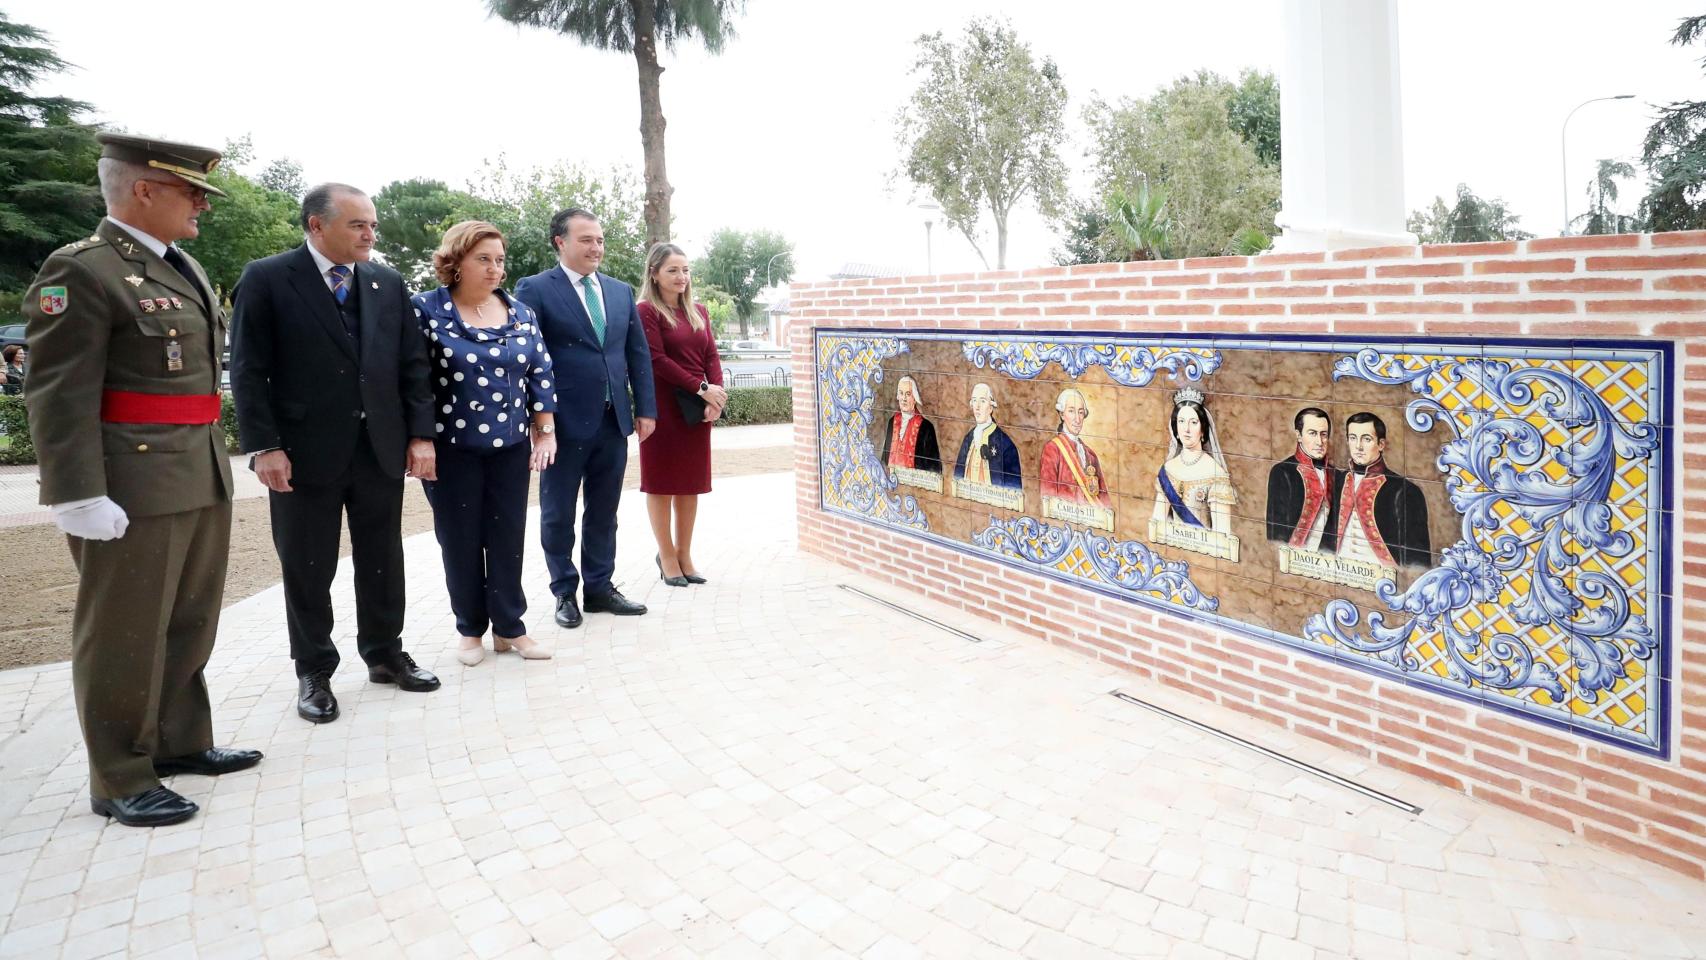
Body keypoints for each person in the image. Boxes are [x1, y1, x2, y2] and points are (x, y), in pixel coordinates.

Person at [22, 133, 260, 827]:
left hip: (197, 467)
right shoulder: (84, 271)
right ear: (144, 190)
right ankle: (120, 775)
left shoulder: (179, 265)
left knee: (189, 619)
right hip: (132, 481)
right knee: (125, 630)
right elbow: (57, 393)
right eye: (192, 192)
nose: (203, 205)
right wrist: (76, 493)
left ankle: (180, 742)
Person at [229, 183, 441, 725]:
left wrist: (420, 435)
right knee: (307, 565)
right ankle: (314, 669)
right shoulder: (268, 278)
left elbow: (412, 364)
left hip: (378, 449)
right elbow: (249, 370)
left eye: (373, 225)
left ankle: (385, 653)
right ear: (316, 225)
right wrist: (265, 446)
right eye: (358, 225)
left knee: (383, 559)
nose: (370, 234)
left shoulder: (386, 281)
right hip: (302, 454)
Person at [412, 221, 559, 664]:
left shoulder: (520, 312)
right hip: (450, 448)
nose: (495, 268)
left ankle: (510, 628)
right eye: (484, 259)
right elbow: (413, 380)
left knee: (507, 536)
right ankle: (470, 631)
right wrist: (418, 440)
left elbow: (540, 371)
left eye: (499, 260)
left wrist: (545, 430)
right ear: (456, 261)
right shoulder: (426, 309)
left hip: (510, 447)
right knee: (460, 539)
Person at [513, 208, 656, 627]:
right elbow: (528, 358)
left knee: (604, 511)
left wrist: (645, 408)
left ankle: (599, 588)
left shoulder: (619, 291)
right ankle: (564, 591)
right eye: (586, 240)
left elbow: (637, 353)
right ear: (560, 242)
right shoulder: (535, 289)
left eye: (600, 240)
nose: (596, 247)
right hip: (561, 425)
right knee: (558, 513)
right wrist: (539, 423)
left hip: (613, 421)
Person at [635, 242, 726, 587]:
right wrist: (702, 389)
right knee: (661, 485)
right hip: (662, 408)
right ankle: (666, 554)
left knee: (690, 484)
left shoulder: (698, 311)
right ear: (654, 274)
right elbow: (657, 360)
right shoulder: (647, 311)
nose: (681, 276)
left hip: (696, 410)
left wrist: (716, 396)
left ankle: (685, 554)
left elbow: (711, 356)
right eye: (672, 270)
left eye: (685, 270)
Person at [1335, 412, 1431, 568]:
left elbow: (1416, 562)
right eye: (1353, 438)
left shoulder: (1405, 491)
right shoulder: (1338, 480)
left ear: (1381, 444)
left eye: (1367, 439)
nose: (1358, 446)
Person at [1151, 388, 1237, 531]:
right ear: (1175, 428)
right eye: (1181, 421)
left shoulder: (1215, 473)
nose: (1187, 429)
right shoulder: (1168, 469)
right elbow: (1157, 523)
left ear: (1202, 430)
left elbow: (1223, 533)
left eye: (1193, 422)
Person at [1266, 406, 1340, 551]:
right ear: (1299, 435)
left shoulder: (1336, 475)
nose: (1319, 442)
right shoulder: (1283, 472)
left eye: (1323, 434)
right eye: (1312, 433)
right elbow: (1276, 533)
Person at [1038, 387, 1111, 506]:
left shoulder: (1091, 455)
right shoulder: (1052, 449)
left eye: (1081, 412)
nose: (1077, 419)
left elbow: (1105, 503)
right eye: (1071, 411)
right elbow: (1048, 499)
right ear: (1062, 414)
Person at [952, 382, 1021, 488]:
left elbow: (1013, 488)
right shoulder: (968, 439)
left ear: (991, 408)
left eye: (982, 401)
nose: (977, 407)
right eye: (974, 401)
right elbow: (957, 478)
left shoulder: (1005, 444)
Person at [879, 376, 940, 474]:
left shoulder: (926, 428)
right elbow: (884, 460)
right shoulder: (892, 422)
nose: (904, 399)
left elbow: (934, 469)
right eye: (901, 393)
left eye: (908, 394)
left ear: (915, 398)